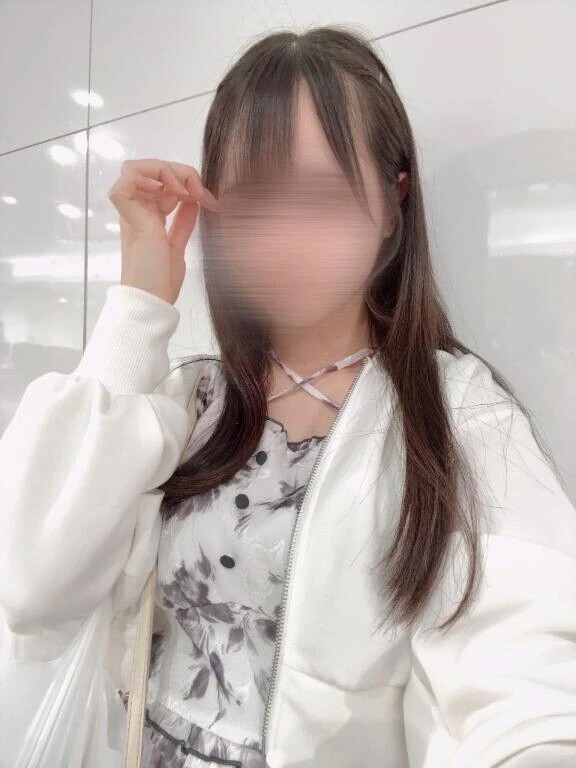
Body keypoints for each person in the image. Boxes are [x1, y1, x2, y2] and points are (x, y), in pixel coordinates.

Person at [1, 25, 576, 768]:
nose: (283, 237)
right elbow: (32, 588)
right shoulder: (193, 402)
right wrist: (138, 305)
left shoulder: (456, 414)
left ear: (394, 199)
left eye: (324, 196)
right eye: (251, 201)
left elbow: (526, 681)